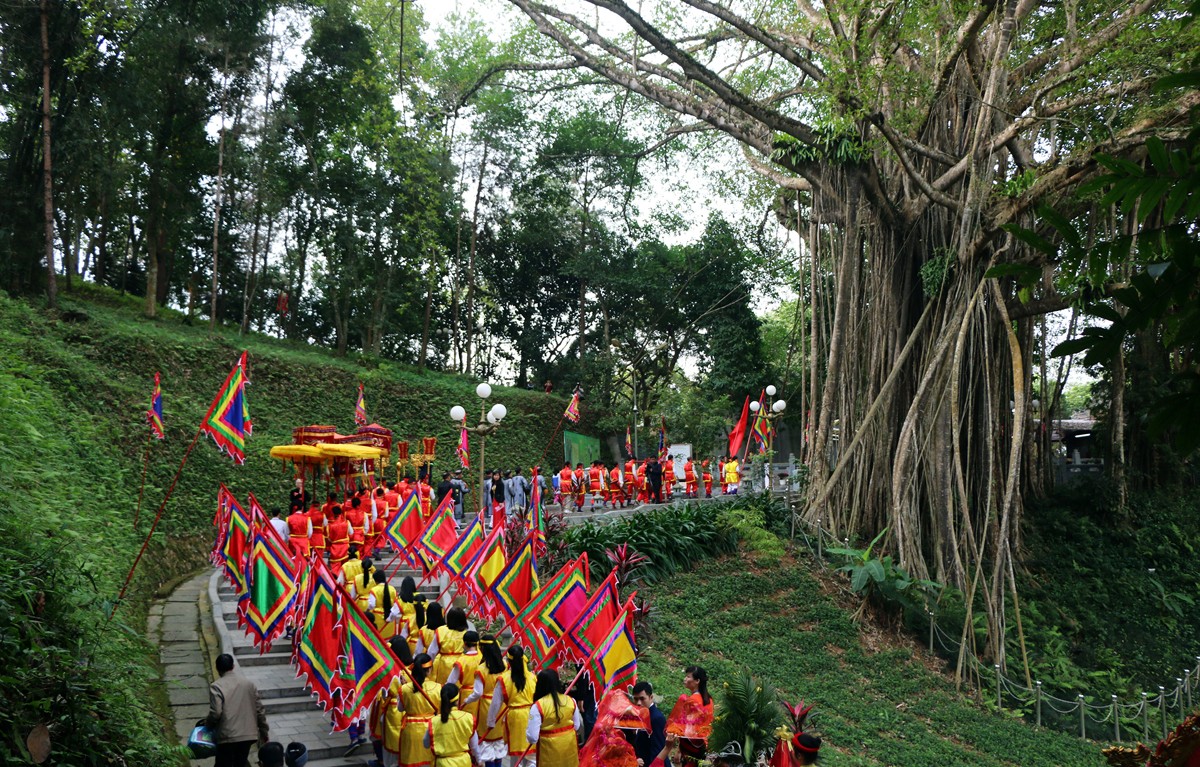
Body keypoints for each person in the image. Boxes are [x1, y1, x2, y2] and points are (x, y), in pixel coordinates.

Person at [206, 653, 269, 767]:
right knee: (240, 762)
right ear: (233, 666)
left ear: (217, 668)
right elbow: (259, 710)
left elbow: (216, 713)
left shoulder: (217, 686)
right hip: (248, 735)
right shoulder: (249, 684)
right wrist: (264, 730)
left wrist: (207, 726)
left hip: (228, 736)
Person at [486, 646, 537, 767]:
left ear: (509, 661)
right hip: (531, 715)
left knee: (516, 757)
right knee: (532, 756)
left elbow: (496, 703)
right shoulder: (532, 677)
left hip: (515, 717)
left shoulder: (504, 679)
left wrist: (491, 721)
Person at [391, 653, 442, 767]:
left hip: (411, 729)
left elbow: (400, 708)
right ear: (429, 670)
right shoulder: (438, 688)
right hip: (431, 728)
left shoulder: (405, 688)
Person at [463, 635, 506, 767]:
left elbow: (478, 693)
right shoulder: (504, 664)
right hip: (502, 706)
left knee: (486, 744)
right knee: (498, 744)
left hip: (486, 707)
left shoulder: (481, 669)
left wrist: (465, 700)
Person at [526, 669, 582, 767]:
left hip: (549, 756)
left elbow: (532, 738)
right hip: (569, 752)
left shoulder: (538, 706)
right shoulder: (571, 701)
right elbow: (576, 726)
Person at [425, 684, 480, 767]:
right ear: (457, 700)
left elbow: (426, 743)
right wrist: (479, 760)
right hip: (464, 762)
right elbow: (474, 746)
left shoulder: (434, 721)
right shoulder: (468, 718)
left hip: (443, 764)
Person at [671, 666, 713, 767]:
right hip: (704, 743)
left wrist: (679, 750)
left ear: (697, 680)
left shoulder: (691, 700)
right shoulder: (709, 700)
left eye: (688, 676)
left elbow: (685, 726)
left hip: (690, 745)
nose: (685, 679)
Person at [629, 681, 669, 767]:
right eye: (636, 699)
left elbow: (658, 749)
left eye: (642, 699)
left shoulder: (656, 718)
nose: (639, 703)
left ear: (651, 697)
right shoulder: (639, 713)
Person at [430, 607, 470, 683]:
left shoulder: (441, 630)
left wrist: (429, 665)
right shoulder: (466, 633)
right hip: (460, 663)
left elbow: (432, 652)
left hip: (444, 664)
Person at [369, 569, 402, 639]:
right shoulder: (392, 589)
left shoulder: (374, 590)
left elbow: (371, 605)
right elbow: (396, 604)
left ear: (376, 580)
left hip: (377, 618)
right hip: (390, 618)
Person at [326, 506, 351, 572]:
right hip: (345, 547)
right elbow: (351, 532)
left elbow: (329, 539)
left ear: (333, 514)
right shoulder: (347, 522)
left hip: (335, 548)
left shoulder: (330, 525)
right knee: (346, 566)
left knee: (335, 567)